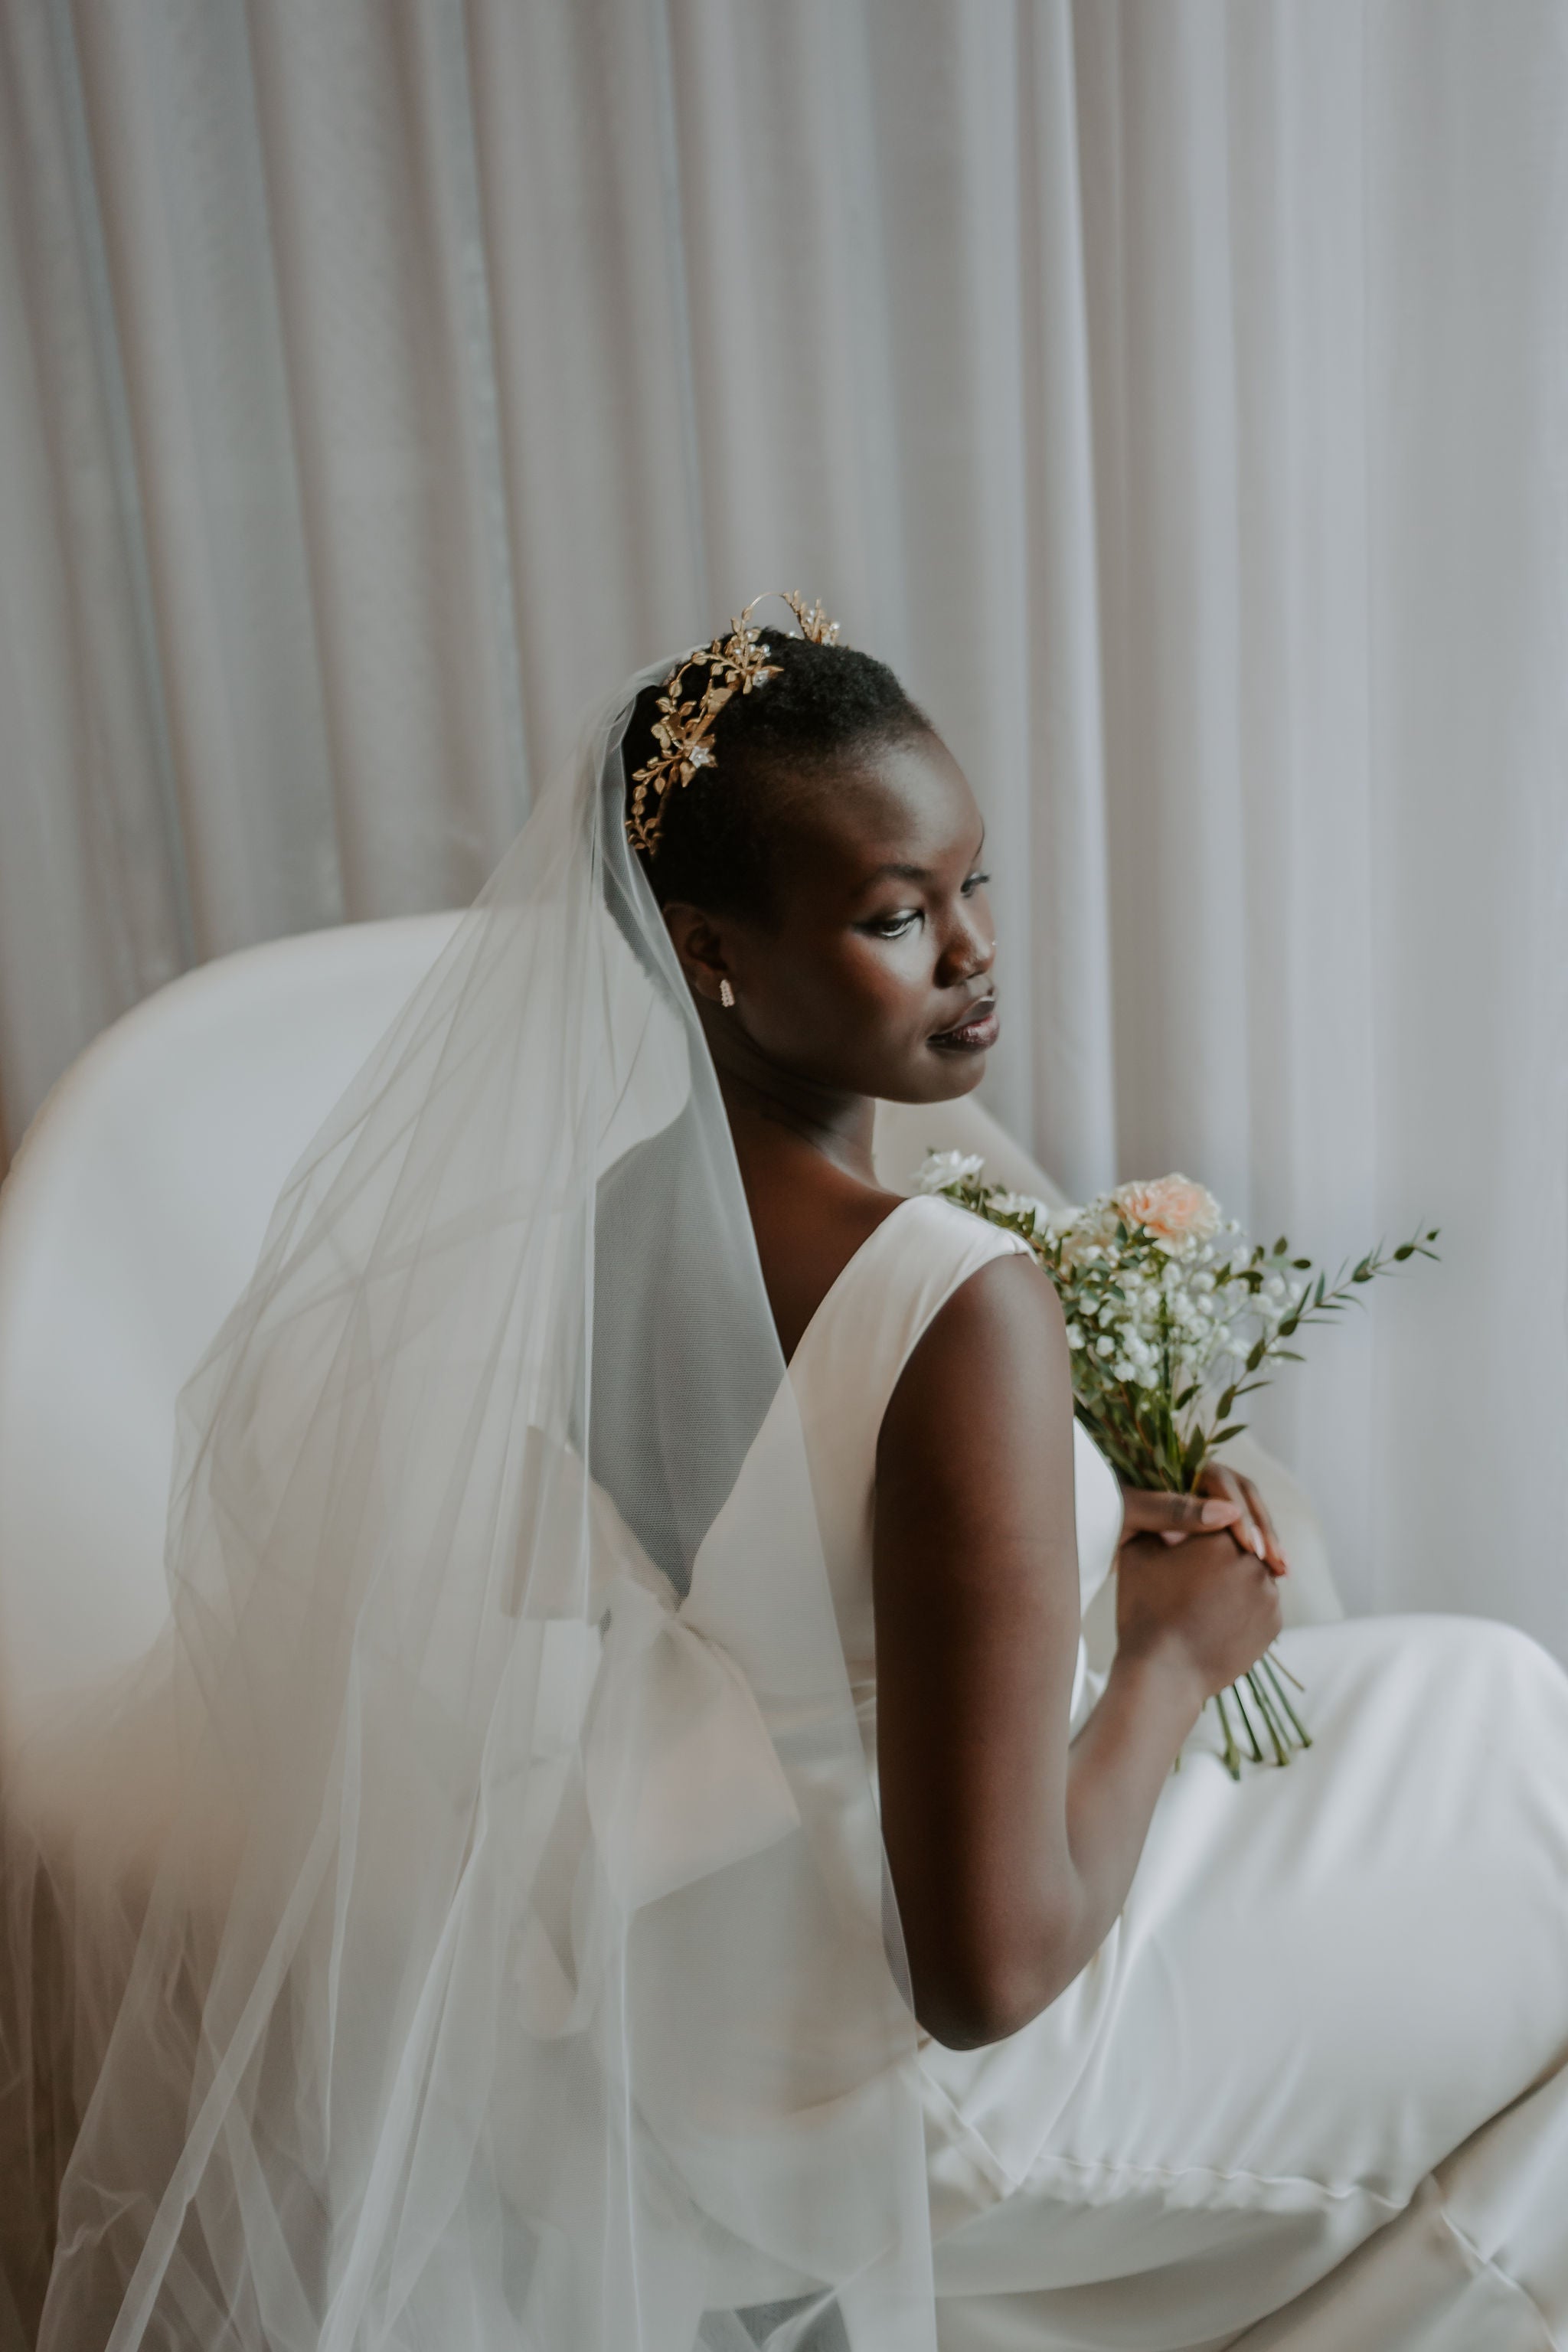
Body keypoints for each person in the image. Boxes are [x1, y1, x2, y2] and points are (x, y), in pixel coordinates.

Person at [5, 596, 1567, 2352]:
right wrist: (1165, 1657)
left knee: (1485, 1703)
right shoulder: (954, 1302)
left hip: (715, 1991)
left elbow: (794, 1594)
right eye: (897, 914)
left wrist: (1064, 1552)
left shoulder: (613, 1230)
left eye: (975, 886)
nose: (972, 953)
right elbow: (983, 1971)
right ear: (707, 953)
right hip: (931, 2074)